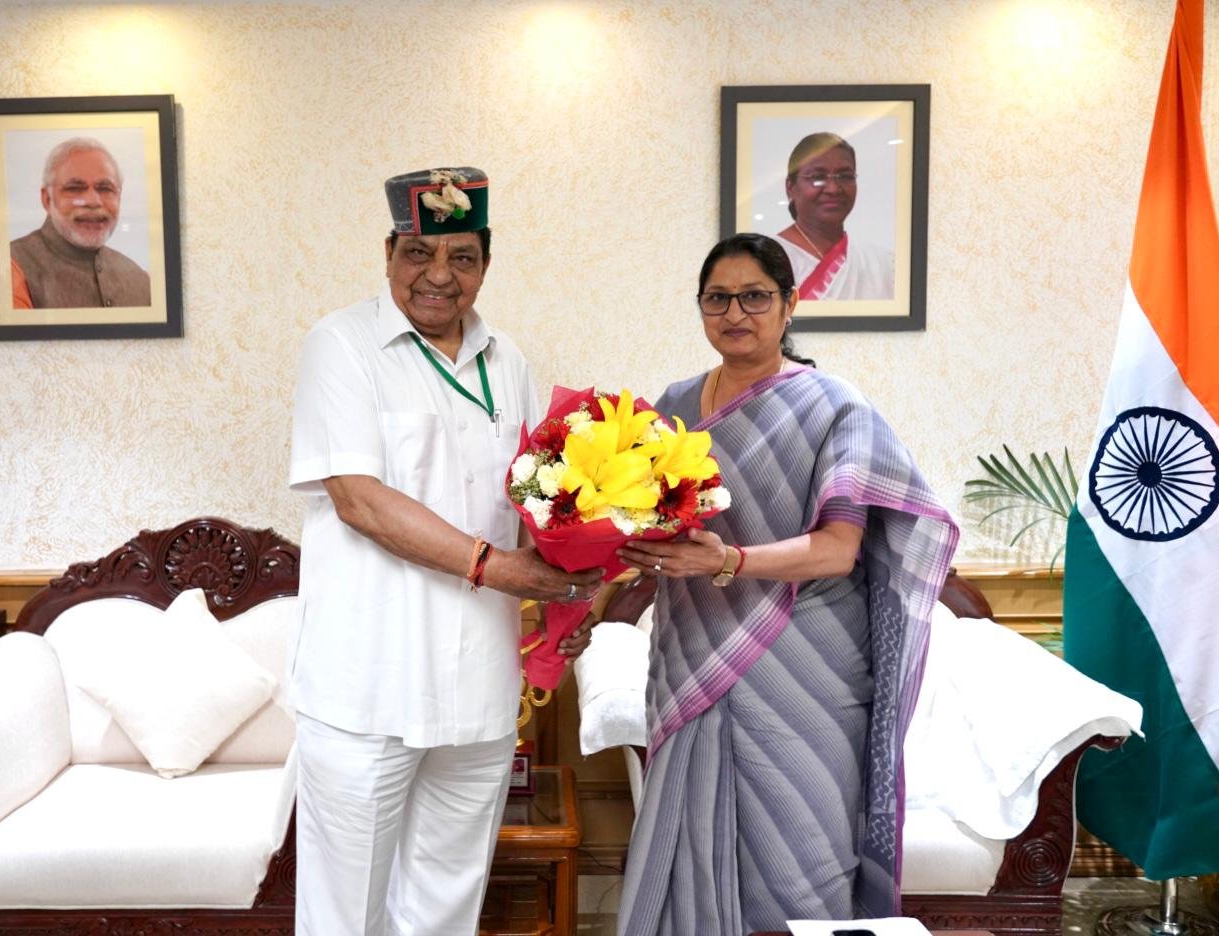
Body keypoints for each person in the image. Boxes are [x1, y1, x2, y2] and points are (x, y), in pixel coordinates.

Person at [287, 166, 602, 936]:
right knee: (344, 915)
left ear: (484, 266)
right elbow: (358, 499)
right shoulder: (341, 345)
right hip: (368, 690)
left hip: (478, 691)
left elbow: (535, 501)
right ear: (387, 254)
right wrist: (499, 568)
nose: (438, 275)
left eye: (461, 257)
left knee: (446, 907)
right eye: (417, 253)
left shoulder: (507, 361)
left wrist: (568, 598)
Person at [615, 233, 957, 933]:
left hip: (808, 663)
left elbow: (837, 550)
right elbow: (643, 525)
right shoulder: (672, 406)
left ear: (789, 303)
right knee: (692, 852)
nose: (734, 313)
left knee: (804, 860)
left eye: (754, 297)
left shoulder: (835, 407)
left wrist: (728, 562)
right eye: (717, 299)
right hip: (692, 649)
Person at [9, 137, 151, 309]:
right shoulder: (11, 266)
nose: (93, 201)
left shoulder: (140, 279)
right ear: (47, 199)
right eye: (74, 188)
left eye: (105, 189)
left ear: (119, 198)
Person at [774, 132, 894, 301]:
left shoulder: (882, 264)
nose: (833, 189)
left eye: (845, 177)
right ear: (790, 187)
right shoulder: (766, 259)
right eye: (817, 177)